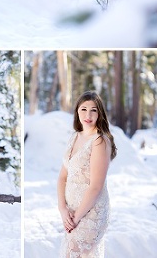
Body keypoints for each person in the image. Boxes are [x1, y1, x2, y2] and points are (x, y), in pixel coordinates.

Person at [57, 91, 116, 257]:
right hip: (72, 212)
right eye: (83, 109)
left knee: (71, 254)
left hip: (92, 212)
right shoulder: (75, 137)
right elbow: (62, 178)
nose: (88, 115)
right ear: (77, 111)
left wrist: (75, 219)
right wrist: (62, 208)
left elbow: (96, 186)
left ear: (100, 113)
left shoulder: (100, 141)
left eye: (93, 110)